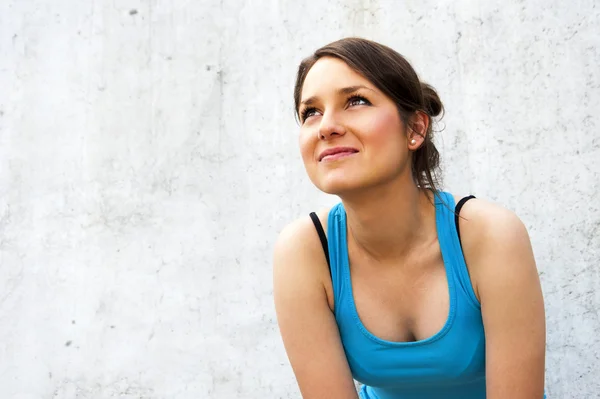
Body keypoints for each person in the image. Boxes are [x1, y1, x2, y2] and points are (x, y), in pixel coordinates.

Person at [272, 37, 546, 399]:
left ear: (415, 129)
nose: (327, 126)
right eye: (311, 112)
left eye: (356, 101)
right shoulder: (305, 252)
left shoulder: (489, 235)